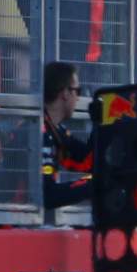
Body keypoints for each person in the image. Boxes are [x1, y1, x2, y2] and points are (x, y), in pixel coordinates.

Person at [41, 61, 93, 215]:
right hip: (13, 224)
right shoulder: (39, 132)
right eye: (78, 90)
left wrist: (102, 123)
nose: (78, 98)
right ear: (65, 93)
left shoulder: (55, 129)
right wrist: (92, 185)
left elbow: (87, 161)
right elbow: (47, 195)